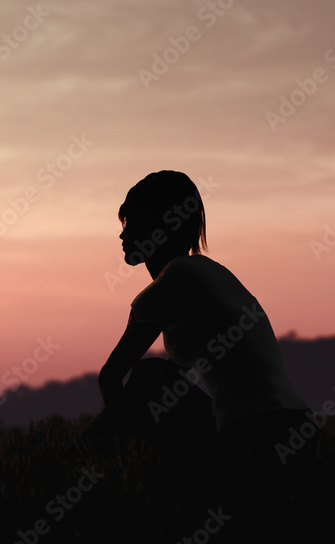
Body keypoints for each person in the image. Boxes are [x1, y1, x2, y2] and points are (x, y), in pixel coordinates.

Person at [84, 171, 312, 468]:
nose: (122, 234)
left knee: (150, 374)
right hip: (296, 430)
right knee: (156, 381)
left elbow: (111, 375)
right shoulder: (207, 272)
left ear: (158, 223)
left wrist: (111, 443)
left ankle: (86, 463)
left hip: (258, 435)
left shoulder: (175, 278)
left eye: (130, 221)